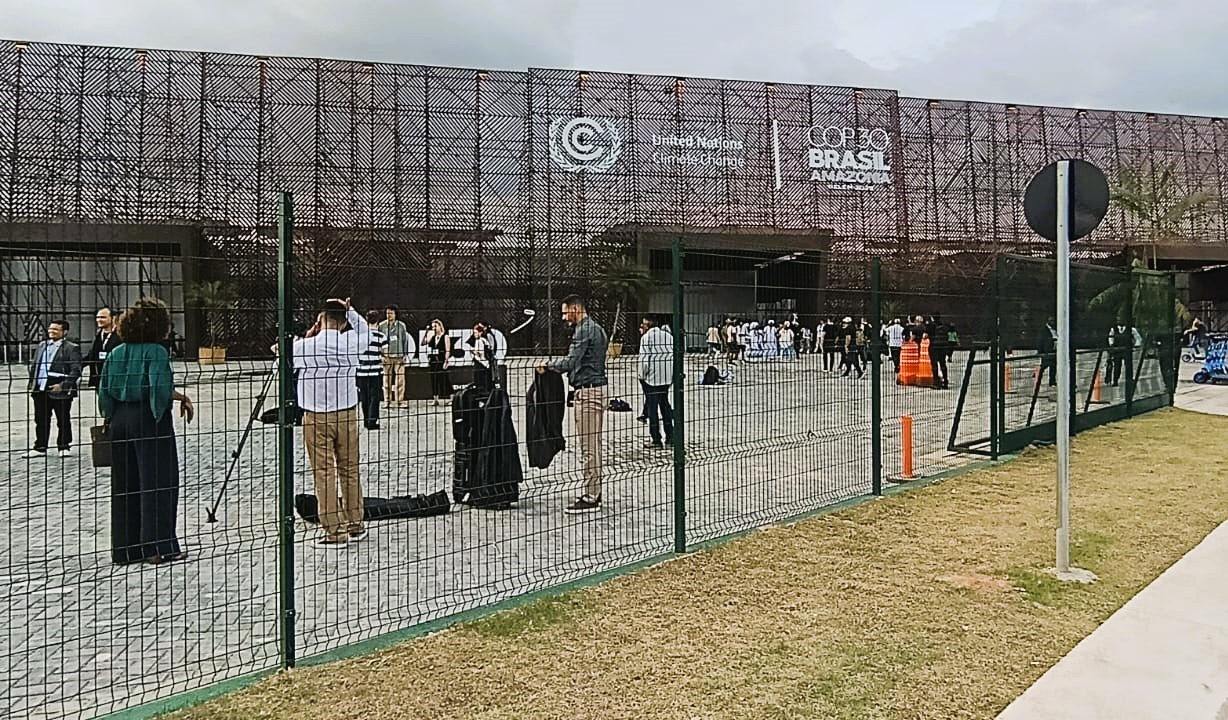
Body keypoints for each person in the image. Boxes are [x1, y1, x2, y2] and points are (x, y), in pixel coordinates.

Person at [98, 298, 194, 565]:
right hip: (148, 419)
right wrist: (161, 410)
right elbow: (158, 389)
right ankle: (158, 546)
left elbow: (104, 391)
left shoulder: (117, 352)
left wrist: (110, 416)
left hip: (119, 418)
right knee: (158, 481)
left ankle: (125, 549)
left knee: (124, 484)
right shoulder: (157, 351)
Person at [291, 298, 370, 548]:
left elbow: (278, 352)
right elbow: (367, 331)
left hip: (316, 416)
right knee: (350, 469)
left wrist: (307, 335)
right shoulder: (352, 343)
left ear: (320, 319)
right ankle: (356, 523)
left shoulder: (305, 346)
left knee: (324, 473)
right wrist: (352, 311)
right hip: (346, 413)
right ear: (344, 322)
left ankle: (335, 531)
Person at [536, 295, 608, 514]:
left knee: (588, 447)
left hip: (587, 393)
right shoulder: (597, 328)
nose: (564, 317)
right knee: (593, 444)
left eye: (566, 312)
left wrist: (547, 366)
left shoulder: (584, 331)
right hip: (595, 389)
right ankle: (594, 489)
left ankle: (591, 496)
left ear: (576, 309)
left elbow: (570, 362)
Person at [24, 319, 84, 458]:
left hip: (59, 386)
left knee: (62, 418)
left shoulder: (71, 348)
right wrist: (32, 385)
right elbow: (35, 366)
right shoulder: (42, 345)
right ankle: (40, 447)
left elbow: (76, 370)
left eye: (55, 330)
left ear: (65, 332)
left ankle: (64, 446)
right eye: (50, 329)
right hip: (40, 387)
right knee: (41, 419)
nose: (51, 332)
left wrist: (63, 386)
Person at [638, 317, 674, 449]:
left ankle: (656, 439)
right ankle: (670, 437)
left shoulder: (646, 338)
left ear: (647, 325)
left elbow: (644, 360)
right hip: (666, 377)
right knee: (665, 407)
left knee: (652, 409)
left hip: (652, 379)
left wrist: (641, 375)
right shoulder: (669, 337)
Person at [356, 310, 387, 429]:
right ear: (378, 321)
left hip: (361, 370)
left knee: (364, 397)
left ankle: (365, 420)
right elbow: (385, 352)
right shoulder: (381, 336)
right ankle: (372, 421)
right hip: (375, 370)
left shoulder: (360, 336)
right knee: (375, 396)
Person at [377, 305, 410, 408]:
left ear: (395, 314)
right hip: (387, 357)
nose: (389, 315)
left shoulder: (401, 326)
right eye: (387, 313)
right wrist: (381, 355)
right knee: (386, 381)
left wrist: (405, 354)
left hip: (399, 356)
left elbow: (405, 341)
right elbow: (379, 341)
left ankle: (400, 401)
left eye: (391, 313)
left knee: (400, 380)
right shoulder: (381, 326)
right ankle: (387, 401)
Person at [85, 307, 121, 389]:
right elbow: (91, 355)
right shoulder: (98, 335)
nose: (99, 320)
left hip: (115, 379)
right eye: (97, 317)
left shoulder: (120, 335)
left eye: (103, 317)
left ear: (113, 318)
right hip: (99, 379)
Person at [424, 318, 453, 404]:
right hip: (433, 360)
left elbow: (448, 350)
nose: (434, 328)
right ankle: (435, 398)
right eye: (432, 327)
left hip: (441, 360)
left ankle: (451, 397)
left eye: (435, 326)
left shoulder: (445, 336)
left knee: (444, 379)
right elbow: (423, 343)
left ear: (440, 326)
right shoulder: (433, 337)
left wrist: (446, 361)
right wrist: (426, 333)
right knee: (434, 379)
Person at [1036, 317, 1058, 387]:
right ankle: (1038, 377)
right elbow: (1040, 341)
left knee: (1053, 367)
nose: (1053, 322)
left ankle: (1052, 381)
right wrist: (1040, 351)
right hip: (1047, 351)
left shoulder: (1056, 329)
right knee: (1044, 365)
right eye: (1051, 321)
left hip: (1054, 350)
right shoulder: (1044, 330)